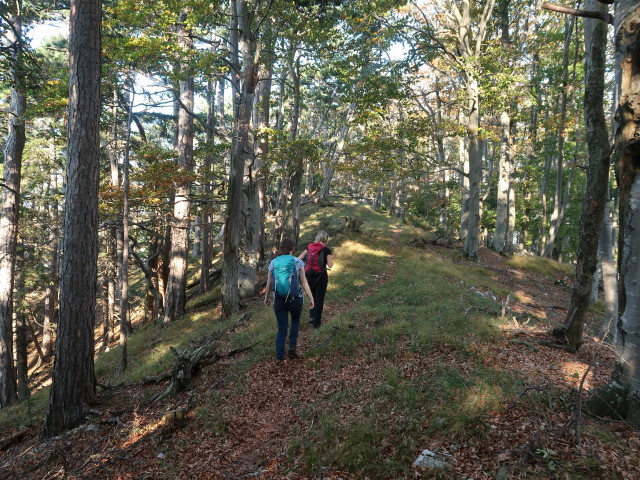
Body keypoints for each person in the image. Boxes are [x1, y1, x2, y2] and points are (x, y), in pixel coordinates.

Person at [264, 238, 314, 361]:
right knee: (295, 322)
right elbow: (304, 282)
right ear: (292, 249)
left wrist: (266, 298)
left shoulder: (273, 262)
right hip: (295, 299)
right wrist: (311, 298)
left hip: (279, 300)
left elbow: (269, 284)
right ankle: (292, 350)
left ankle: (279, 356)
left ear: (281, 248)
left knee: (282, 327)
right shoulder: (297, 261)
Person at [299, 230, 333, 329]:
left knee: (312, 296)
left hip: (309, 275)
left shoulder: (309, 247)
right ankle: (316, 323)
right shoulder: (326, 250)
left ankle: (312, 316)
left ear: (317, 238)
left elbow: (300, 258)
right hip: (321, 277)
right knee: (320, 299)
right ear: (326, 239)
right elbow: (330, 265)